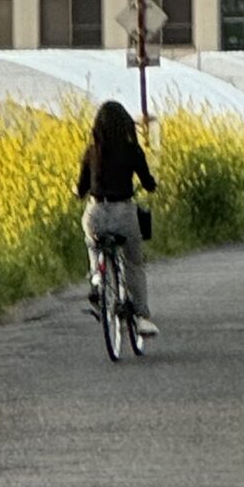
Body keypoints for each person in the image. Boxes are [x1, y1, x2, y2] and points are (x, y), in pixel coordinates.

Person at [77, 98, 158, 337]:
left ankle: (96, 278)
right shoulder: (132, 149)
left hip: (96, 213)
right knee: (134, 263)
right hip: (123, 212)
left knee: (92, 242)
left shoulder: (92, 151)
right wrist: (152, 185)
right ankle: (141, 317)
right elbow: (147, 182)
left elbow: (81, 188)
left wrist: (78, 191)